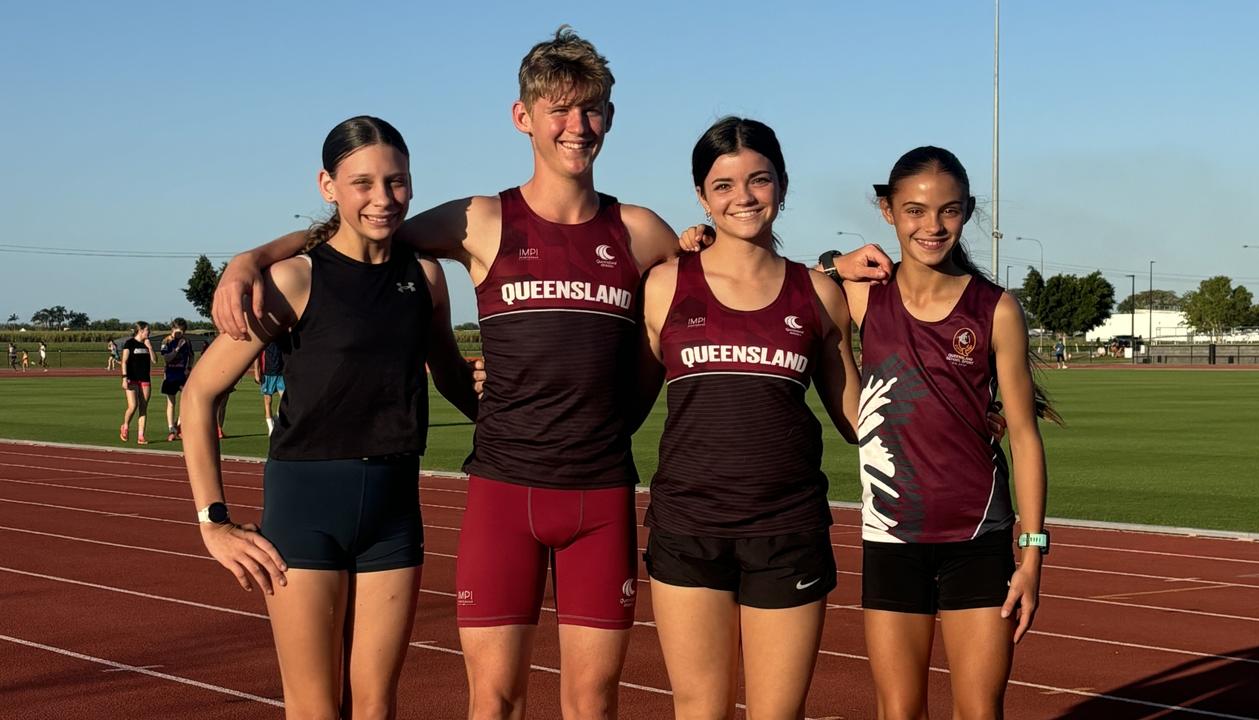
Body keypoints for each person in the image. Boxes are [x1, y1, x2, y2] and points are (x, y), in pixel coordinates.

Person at [210, 30, 892, 720]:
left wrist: (828, 273)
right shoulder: (477, 221)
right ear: (522, 117)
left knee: (592, 702)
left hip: (598, 493)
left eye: (590, 109)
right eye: (558, 109)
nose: (576, 126)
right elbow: (363, 228)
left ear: (610, 118)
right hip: (502, 492)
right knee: (495, 700)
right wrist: (252, 257)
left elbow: (740, 267)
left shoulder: (638, 231)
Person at [182, 115, 477, 719]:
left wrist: (516, 411)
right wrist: (213, 521)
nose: (382, 198)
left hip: (395, 511)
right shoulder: (293, 279)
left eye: (396, 182)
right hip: (305, 509)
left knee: (375, 708)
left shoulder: (426, 277)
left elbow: (449, 375)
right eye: (362, 182)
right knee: (316, 709)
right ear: (328, 185)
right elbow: (198, 396)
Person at [825, 146, 1058, 720]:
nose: (932, 226)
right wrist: (834, 261)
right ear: (887, 211)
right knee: (898, 711)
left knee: (980, 712)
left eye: (949, 212)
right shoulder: (862, 295)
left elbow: (1025, 437)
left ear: (968, 211)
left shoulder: (995, 309)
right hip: (891, 535)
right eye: (914, 211)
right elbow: (778, 282)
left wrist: (1031, 554)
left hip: (977, 537)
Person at [639, 117, 860, 719]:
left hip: (785, 529)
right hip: (689, 528)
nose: (743, 198)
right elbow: (617, 397)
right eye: (723, 185)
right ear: (701, 196)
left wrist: (960, 413)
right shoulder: (662, 285)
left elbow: (855, 416)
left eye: (758, 180)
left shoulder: (818, 292)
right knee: (699, 710)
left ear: (782, 187)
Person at [119, 322, 155, 444]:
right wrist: (124, 377)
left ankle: (141, 436)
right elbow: (124, 361)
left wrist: (150, 347)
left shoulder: (147, 344)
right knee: (133, 406)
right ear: (140, 331)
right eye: (147, 330)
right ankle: (125, 426)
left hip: (145, 379)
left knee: (143, 408)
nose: (149, 332)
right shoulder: (130, 343)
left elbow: (154, 360)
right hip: (132, 378)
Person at [160, 318, 195, 441]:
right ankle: (171, 428)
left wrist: (189, 368)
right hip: (170, 375)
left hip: (182, 375)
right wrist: (177, 349)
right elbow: (167, 358)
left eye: (182, 332)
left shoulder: (187, 341)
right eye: (177, 332)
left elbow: (191, 356)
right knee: (171, 402)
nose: (179, 334)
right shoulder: (166, 341)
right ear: (172, 330)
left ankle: (179, 425)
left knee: (187, 400)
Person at [253, 339, 286, 435]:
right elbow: (257, 356)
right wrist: (256, 372)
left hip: (281, 373)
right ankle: (270, 427)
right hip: (267, 373)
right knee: (268, 401)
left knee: (284, 398)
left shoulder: (282, 338)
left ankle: (277, 416)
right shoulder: (265, 339)